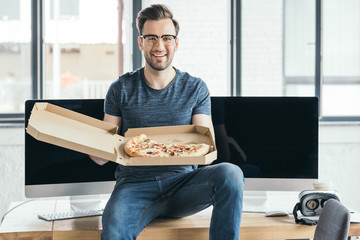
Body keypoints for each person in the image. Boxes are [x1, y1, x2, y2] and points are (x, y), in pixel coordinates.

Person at [91, 4, 244, 240]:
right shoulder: (121, 88)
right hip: (134, 188)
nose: (159, 46)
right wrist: (86, 142)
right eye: (151, 38)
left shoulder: (195, 88)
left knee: (231, 174)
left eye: (166, 38)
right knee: (113, 229)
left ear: (176, 43)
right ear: (141, 43)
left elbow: (206, 145)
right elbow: (100, 156)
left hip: (185, 186)